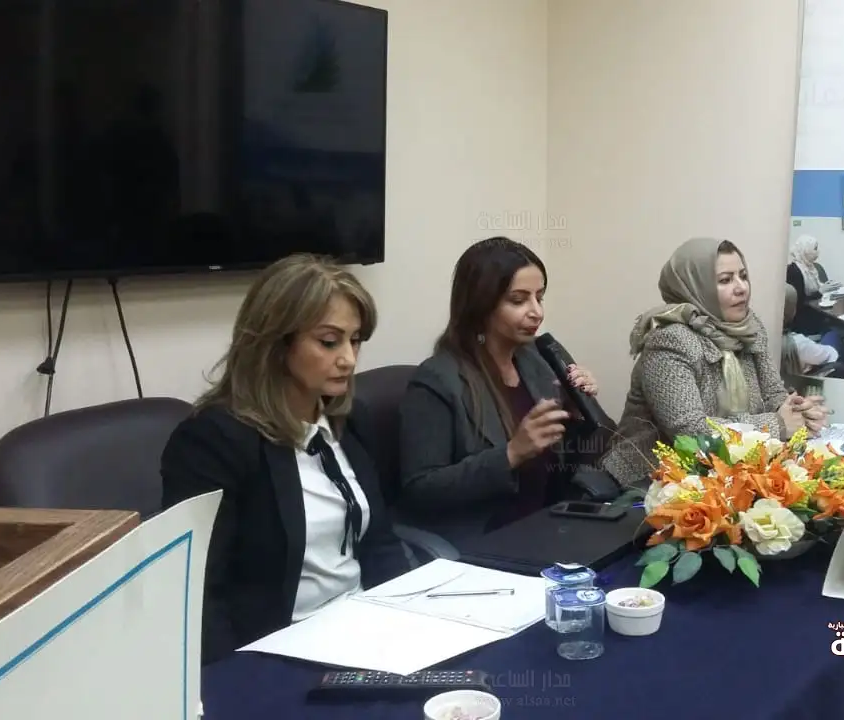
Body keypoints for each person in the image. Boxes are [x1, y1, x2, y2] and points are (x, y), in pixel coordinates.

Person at [161, 254, 407, 665]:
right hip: (283, 651)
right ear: (275, 344)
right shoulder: (215, 440)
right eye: (329, 342)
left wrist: (414, 618)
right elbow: (200, 592)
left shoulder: (350, 421)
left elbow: (380, 543)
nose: (348, 358)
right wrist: (231, 684)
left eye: (355, 340)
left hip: (366, 629)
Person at [396, 237, 610, 543]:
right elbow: (421, 489)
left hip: (549, 525)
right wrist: (511, 454)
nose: (536, 312)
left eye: (539, 297)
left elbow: (562, 469)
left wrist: (579, 414)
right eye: (518, 300)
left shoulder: (539, 360)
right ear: (480, 305)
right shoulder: (437, 379)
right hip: (485, 540)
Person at [601, 237, 825, 488]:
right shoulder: (669, 341)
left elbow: (772, 392)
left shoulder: (749, 327)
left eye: (743, 276)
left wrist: (797, 411)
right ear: (695, 286)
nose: (741, 288)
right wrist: (778, 424)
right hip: (651, 482)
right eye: (725, 280)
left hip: (724, 473)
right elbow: (692, 433)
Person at [786, 234, 840, 334]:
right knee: (838, 325)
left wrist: (825, 285)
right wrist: (820, 291)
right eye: (815, 249)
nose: (818, 252)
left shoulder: (810, 266)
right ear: (806, 250)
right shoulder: (794, 271)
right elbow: (799, 302)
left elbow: (814, 288)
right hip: (803, 318)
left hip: (815, 310)